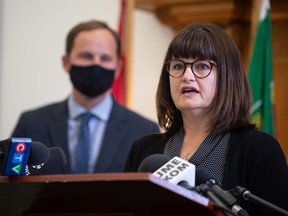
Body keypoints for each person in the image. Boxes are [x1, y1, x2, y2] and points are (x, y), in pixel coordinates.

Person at [124, 22, 288, 216]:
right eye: (178, 66)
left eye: (202, 66)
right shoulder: (143, 149)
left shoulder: (259, 150)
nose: (187, 76)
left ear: (228, 76)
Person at [11, 20, 160, 174]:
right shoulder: (31, 123)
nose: (96, 64)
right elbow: (10, 185)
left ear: (118, 68)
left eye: (105, 58)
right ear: (66, 62)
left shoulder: (145, 131)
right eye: (86, 56)